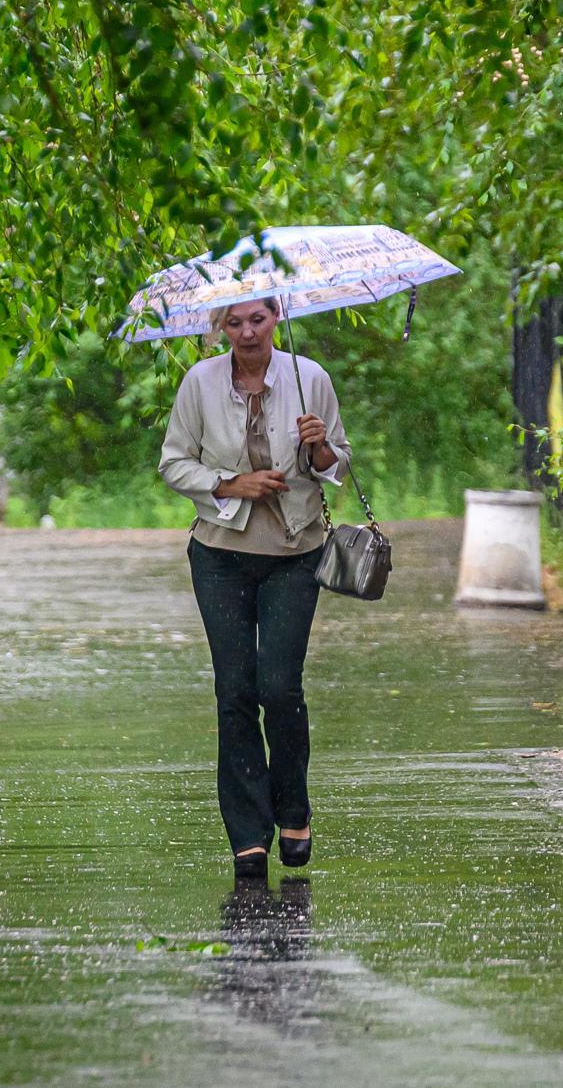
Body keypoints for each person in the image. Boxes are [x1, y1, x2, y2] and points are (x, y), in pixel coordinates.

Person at [157, 296, 351, 879]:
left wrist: (318, 445)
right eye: (234, 322)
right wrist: (230, 483)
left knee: (279, 685)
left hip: (296, 551)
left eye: (257, 320)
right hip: (220, 555)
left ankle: (293, 808)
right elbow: (172, 463)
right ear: (221, 327)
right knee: (234, 689)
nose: (246, 332)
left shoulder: (309, 377)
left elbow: (337, 464)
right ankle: (248, 833)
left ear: (275, 320)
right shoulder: (200, 382)